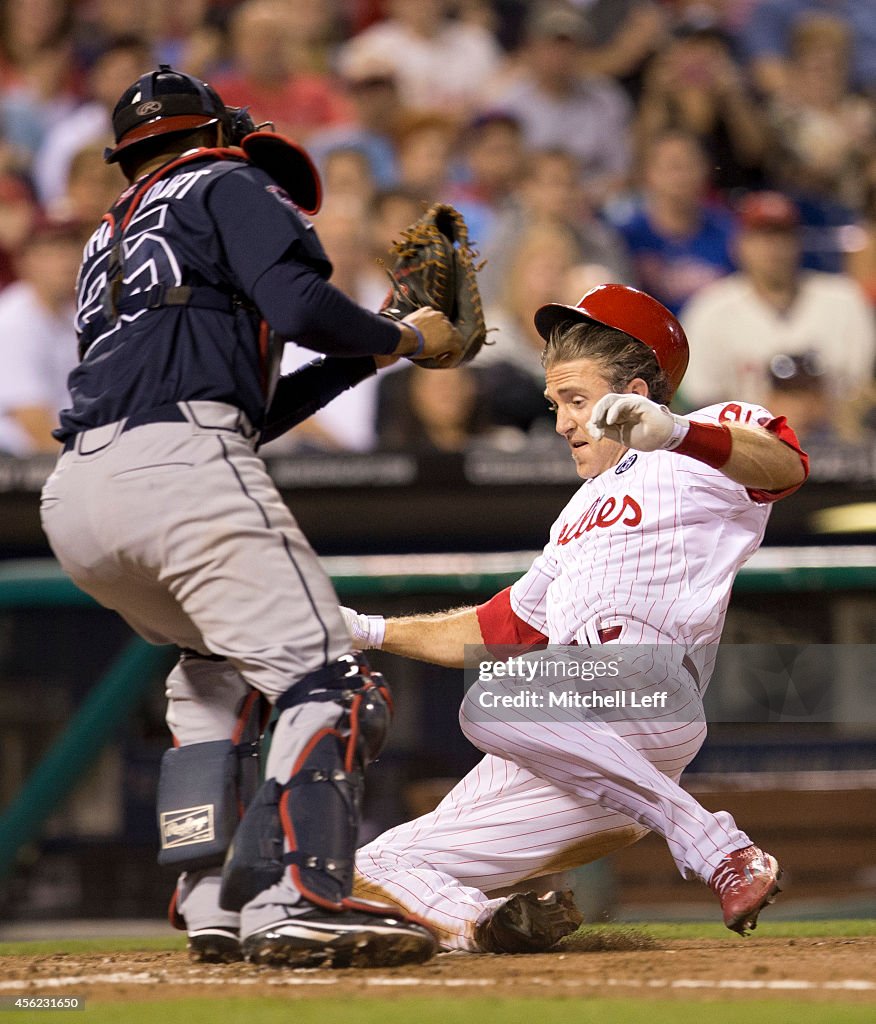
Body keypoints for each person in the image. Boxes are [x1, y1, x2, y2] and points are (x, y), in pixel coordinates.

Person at [39, 66, 463, 969]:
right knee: (331, 681)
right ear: (219, 134)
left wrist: (378, 344)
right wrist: (411, 338)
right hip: (181, 472)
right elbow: (303, 304)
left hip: (80, 494)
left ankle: (210, 908)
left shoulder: (111, 237)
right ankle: (296, 899)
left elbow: (252, 403)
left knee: (214, 679)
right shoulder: (231, 179)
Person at [340, 283, 808, 952]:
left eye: (577, 402)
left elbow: (785, 465)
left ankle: (715, 845)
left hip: (644, 686)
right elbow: (499, 630)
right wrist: (367, 629)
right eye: (556, 403)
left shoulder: (694, 449)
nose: (562, 422)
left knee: (493, 700)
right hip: (570, 734)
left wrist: (676, 431)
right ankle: (488, 925)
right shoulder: (574, 514)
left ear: (636, 395)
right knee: (365, 871)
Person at [680, 191, 876, 411]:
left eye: (783, 236)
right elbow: (703, 400)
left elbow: (861, 392)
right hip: (744, 440)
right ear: (739, 244)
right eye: (762, 236)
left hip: (834, 437)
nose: (773, 248)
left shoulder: (844, 299)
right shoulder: (709, 309)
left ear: (799, 242)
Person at [0, 216, 81, 455]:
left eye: (70, 248)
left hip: (69, 451)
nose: (65, 261)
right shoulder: (13, 320)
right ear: (24, 260)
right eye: (51, 251)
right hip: (18, 470)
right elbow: (33, 423)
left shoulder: (73, 315)